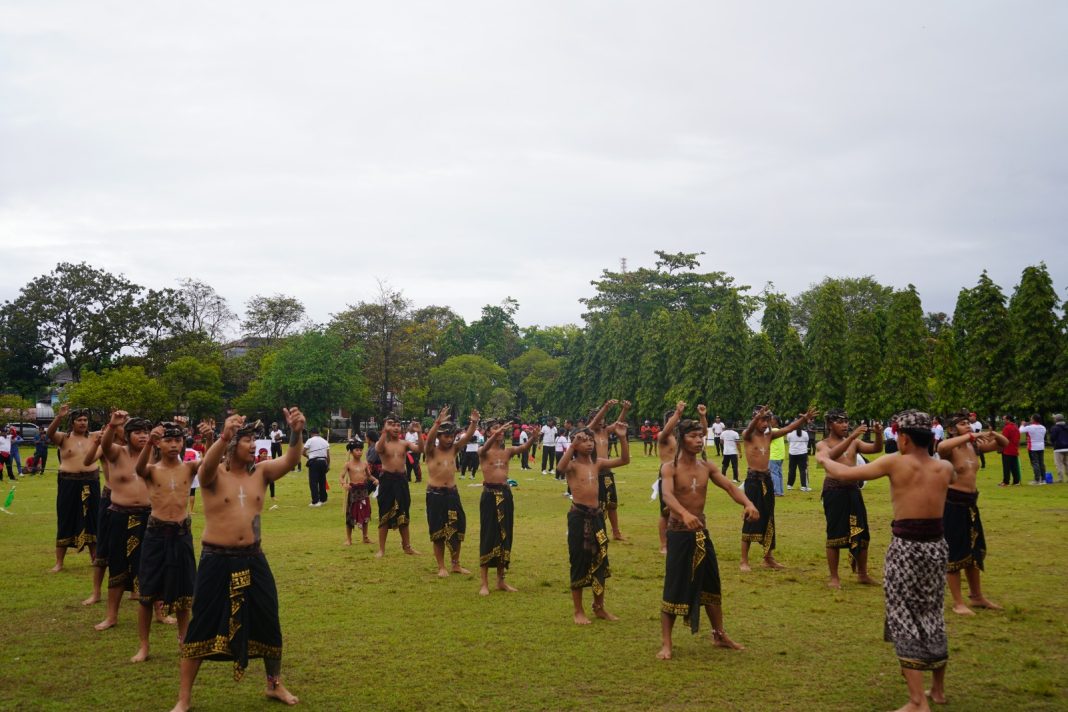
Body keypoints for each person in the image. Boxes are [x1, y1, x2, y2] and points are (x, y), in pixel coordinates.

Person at [818, 410, 953, 712]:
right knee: (933, 610)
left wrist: (824, 461)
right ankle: (938, 690)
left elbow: (844, 474)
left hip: (907, 547)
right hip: (937, 547)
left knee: (903, 615)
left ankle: (918, 701)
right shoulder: (944, 468)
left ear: (903, 438)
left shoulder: (896, 462)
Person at [173, 408, 305, 711]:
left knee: (268, 619)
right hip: (216, 560)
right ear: (232, 446)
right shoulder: (213, 475)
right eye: (247, 440)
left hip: (254, 559)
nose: (254, 445)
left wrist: (296, 432)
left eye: (254, 440)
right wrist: (222, 437)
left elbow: (292, 459)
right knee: (202, 624)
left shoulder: (262, 472)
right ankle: (184, 698)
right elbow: (205, 469)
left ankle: (274, 684)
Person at [657, 418, 758, 659]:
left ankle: (719, 634)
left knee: (711, 584)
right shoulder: (669, 467)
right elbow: (668, 496)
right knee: (674, 585)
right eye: (693, 436)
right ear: (682, 439)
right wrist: (683, 513)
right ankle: (667, 644)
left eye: (701, 436)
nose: (699, 440)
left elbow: (730, 487)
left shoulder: (707, 466)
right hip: (679, 533)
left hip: (701, 533)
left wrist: (748, 502)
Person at [556, 421, 630, 624]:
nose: (589, 444)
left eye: (590, 440)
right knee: (579, 560)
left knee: (600, 559)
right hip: (579, 517)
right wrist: (571, 446)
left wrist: (622, 437)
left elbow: (624, 460)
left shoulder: (598, 463)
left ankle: (599, 607)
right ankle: (578, 611)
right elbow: (559, 468)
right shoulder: (572, 465)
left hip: (597, 516)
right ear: (575, 444)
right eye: (583, 440)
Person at [92, 412, 153, 652]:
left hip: (149, 516)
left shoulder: (153, 455)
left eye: (145, 432)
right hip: (119, 515)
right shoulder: (117, 452)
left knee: (150, 566)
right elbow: (105, 445)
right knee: (117, 566)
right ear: (127, 436)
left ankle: (159, 611)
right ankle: (111, 615)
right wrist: (112, 425)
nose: (142, 436)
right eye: (137, 432)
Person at [938, 410, 1007, 616]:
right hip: (952, 505)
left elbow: (1003, 445)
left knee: (973, 550)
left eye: (968, 422)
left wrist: (994, 435)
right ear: (951, 429)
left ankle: (977, 597)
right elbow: (941, 447)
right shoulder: (948, 448)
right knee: (955, 553)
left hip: (970, 504)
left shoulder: (973, 447)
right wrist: (971, 435)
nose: (968, 425)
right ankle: (958, 602)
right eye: (962, 423)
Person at [739, 405, 817, 572]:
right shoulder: (748, 436)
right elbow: (749, 429)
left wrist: (803, 419)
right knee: (750, 516)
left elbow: (789, 428)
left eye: (767, 419)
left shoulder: (770, 436)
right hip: (753, 481)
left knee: (769, 517)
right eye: (761, 419)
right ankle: (744, 560)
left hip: (767, 480)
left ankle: (768, 557)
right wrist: (755, 419)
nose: (764, 423)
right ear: (755, 420)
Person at [816, 409, 882, 589]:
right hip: (834, 492)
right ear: (830, 424)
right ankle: (834, 577)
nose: (845, 425)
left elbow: (876, 449)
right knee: (835, 533)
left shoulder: (854, 442)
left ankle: (862, 573)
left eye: (846, 421)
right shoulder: (823, 444)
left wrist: (878, 434)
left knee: (861, 531)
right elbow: (831, 456)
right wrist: (852, 437)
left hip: (853, 490)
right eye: (840, 422)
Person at [476, 420, 533, 595]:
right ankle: (484, 583)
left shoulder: (507, 451)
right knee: (488, 535)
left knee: (505, 535)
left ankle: (501, 580)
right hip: (489, 496)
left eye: (501, 429)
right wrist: (495, 433)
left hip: (505, 495)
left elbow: (523, 449)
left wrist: (533, 437)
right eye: (494, 429)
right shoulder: (483, 452)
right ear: (487, 433)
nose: (500, 431)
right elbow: (483, 448)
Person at [423, 407, 480, 576]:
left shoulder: (454, 449)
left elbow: (468, 436)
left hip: (452, 494)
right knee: (438, 531)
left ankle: (455, 564)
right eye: (446, 436)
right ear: (439, 436)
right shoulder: (431, 451)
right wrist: (437, 422)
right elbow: (429, 440)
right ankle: (441, 566)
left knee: (457, 527)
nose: (449, 440)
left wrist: (474, 422)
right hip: (435, 495)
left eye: (451, 437)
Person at [45, 404, 100, 574]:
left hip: (91, 481)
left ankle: (95, 558)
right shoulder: (64, 437)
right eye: (79, 420)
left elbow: (118, 435)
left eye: (85, 420)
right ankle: (59, 562)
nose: (83, 423)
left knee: (93, 520)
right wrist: (59, 416)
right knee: (65, 519)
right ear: (73, 422)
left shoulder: (95, 437)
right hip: (69, 483)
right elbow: (49, 434)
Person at [373, 414, 421, 557]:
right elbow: (379, 449)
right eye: (391, 424)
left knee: (404, 514)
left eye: (397, 425)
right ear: (385, 426)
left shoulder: (404, 443)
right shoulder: (381, 443)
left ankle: (407, 546)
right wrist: (384, 432)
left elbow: (420, 450)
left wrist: (419, 432)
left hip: (401, 480)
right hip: (387, 481)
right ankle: (381, 549)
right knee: (384, 514)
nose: (395, 427)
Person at [588, 398, 632, 541]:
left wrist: (624, 409)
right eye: (598, 418)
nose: (601, 421)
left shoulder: (606, 431)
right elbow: (594, 423)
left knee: (612, 504)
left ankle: (616, 532)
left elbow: (618, 425)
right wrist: (606, 407)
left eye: (603, 419)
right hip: (594, 472)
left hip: (607, 472)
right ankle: (596, 531)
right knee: (597, 505)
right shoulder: (589, 432)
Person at [655, 402, 687, 554]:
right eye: (673, 419)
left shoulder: (682, 438)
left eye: (678, 420)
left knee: (683, 508)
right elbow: (667, 429)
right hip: (666, 475)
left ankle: (679, 539)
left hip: (681, 475)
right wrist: (677, 414)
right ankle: (663, 544)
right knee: (665, 512)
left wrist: (702, 417)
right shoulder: (663, 436)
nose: (677, 422)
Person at [341, 440, 378, 546]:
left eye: (361, 450)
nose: (359, 452)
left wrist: (375, 479)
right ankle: (349, 539)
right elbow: (341, 477)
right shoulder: (348, 464)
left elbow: (369, 476)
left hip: (363, 491)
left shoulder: (365, 464)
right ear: (352, 452)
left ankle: (365, 537)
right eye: (357, 450)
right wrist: (344, 484)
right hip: (353, 492)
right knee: (350, 515)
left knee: (366, 514)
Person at [303, 428, 330, 506]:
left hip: (314, 462)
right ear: (318, 433)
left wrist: (308, 456)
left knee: (313, 482)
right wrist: (328, 465)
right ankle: (323, 499)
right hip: (323, 462)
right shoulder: (325, 441)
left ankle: (315, 501)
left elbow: (303, 452)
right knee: (322, 481)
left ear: (311, 433)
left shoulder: (310, 440)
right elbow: (328, 456)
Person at [1020, 414, 1048, 484]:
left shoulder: (1030, 427)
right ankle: (1043, 479)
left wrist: (1022, 425)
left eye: (1031, 418)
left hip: (1033, 447)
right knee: (1041, 463)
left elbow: (1020, 431)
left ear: (1033, 420)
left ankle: (1037, 479)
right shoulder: (1043, 427)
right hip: (1041, 446)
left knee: (1035, 463)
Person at [785, 420, 810, 492]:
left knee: (792, 469)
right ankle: (804, 486)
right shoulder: (805, 433)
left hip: (792, 453)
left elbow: (789, 442)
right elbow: (806, 443)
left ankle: (789, 485)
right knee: (803, 470)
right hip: (802, 453)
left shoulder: (790, 433)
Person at [999, 415, 1021, 487]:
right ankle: (1016, 481)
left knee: (1006, 467)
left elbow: (1003, 439)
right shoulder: (1016, 427)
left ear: (1008, 420)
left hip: (1007, 449)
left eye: (1004, 419)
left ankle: (1006, 482)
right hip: (1014, 449)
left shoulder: (1007, 428)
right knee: (1014, 466)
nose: (1003, 421)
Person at [767, 417, 785, 496]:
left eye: (771, 420)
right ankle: (780, 491)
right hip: (780, 455)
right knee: (779, 474)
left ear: (776, 422)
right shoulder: (780, 431)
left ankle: (777, 491)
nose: (770, 422)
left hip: (774, 455)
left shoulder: (773, 431)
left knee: (774, 474)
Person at [1051, 414, 1068, 484]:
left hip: (1058, 448)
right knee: (1066, 463)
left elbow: (1052, 438)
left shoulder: (1055, 428)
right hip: (1067, 448)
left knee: (1059, 464)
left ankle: (1060, 478)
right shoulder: (1067, 427)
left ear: (1056, 420)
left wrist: (1053, 443)